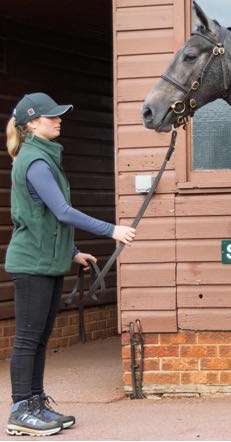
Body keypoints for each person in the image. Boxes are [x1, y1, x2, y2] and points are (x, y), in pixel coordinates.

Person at [4, 93, 136, 436]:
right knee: (28, 338)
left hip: (46, 261)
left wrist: (73, 252)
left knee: (40, 336)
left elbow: (47, 217)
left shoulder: (43, 156)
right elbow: (62, 212)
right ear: (33, 123)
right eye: (52, 116)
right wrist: (112, 230)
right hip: (31, 263)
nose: (59, 120)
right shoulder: (35, 161)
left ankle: (35, 402)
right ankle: (20, 410)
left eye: (58, 115)